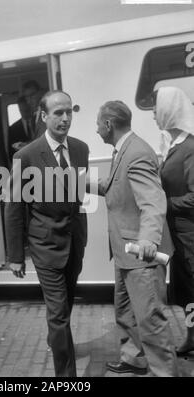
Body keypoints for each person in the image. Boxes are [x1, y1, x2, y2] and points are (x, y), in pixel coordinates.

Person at [4, 90, 89, 377]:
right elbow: (14, 206)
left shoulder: (80, 149)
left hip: (74, 242)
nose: (65, 118)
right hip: (45, 245)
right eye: (58, 113)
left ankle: (56, 339)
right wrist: (15, 256)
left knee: (62, 309)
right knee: (58, 314)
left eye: (69, 112)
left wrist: (83, 234)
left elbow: (80, 196)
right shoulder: (25, 156)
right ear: (44, 116)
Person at [90, 100, 178, 376]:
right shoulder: (124, 150)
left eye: (97, 124)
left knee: (150, 319)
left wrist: (149, 240)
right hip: (124, 251)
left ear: (108, 125)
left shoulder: (136, 152)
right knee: (126, 313)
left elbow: (152, 201)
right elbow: (114, 187)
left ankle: (165, 372)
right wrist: (80, 181)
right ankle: (135, 358)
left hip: (141, 254)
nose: (96, 130)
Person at [153, 86, 194, 356]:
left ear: (169, 110)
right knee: (188, 292)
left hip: (189, 233)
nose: (154, 113)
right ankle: (192, 337)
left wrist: (165, 204)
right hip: (177, 233)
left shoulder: (190, 147)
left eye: (157, 108)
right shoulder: (171, 144)